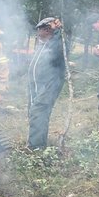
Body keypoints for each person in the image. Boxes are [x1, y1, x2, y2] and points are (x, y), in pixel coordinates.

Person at [27, 17, 67, 150]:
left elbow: (57, 52)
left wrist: (57, 31)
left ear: (48, 29)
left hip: (50, 84)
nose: (38, 33)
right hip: (37, 84)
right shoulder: (44, 43)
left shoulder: (58, 43)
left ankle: (36, 147)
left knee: (39, 111)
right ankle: (37, 143)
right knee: (35, 112)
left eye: (41, 30)